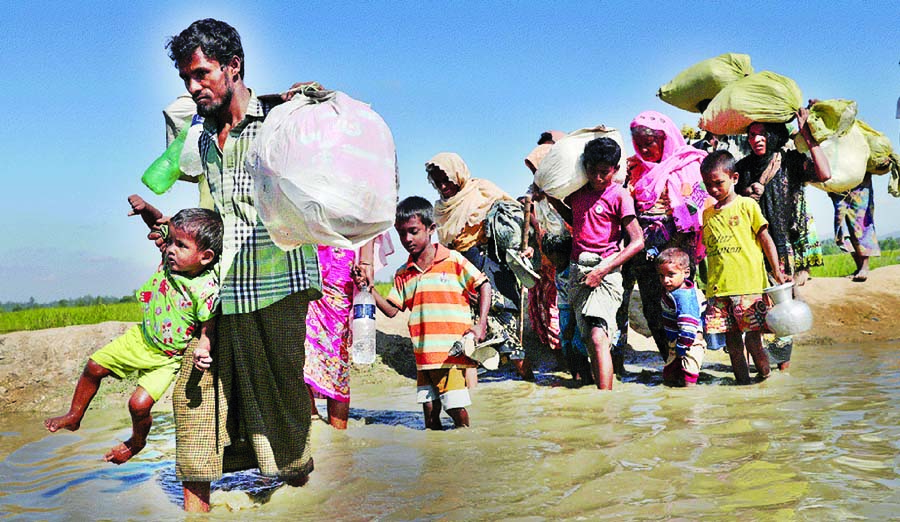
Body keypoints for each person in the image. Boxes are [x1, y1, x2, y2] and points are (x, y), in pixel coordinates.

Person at [163, 19, 322, 511]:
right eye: (187, 79)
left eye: (202, 74)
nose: (194, 87)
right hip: (219, 289)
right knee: (197, 395)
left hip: (278, 283)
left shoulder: (280, 120)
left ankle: (301, 500)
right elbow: (217, 210)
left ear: (234, 66)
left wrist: (311, 98)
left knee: (284, 408)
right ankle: (197, 504)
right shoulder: (202, 136)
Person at [45, 195, 220, 466]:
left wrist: (203, 346)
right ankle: (74, 416)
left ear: (205, 257)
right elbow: (160, 224)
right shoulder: (171, 262)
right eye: (171, 242)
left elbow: (209, 322)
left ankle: (136, 443)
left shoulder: (205, 287)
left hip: (166, 358)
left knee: (138, 406)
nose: (170, 249)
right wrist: (145, 209)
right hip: (141, 339)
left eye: (181, 245)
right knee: (93, 367)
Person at [356, 196, 491, 429]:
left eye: (413, 231)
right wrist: (370, 289)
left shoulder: (453, 260)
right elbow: (391, 311)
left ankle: (467, 451)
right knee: (430, 416)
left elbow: (484, 285)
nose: (407, 239)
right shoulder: (403, 273)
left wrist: (481, 325)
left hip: (450, 355)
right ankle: (436, 463)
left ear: (431, 229)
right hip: (423, 358)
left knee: (456, 410)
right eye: (401, 234)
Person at [735, 107, 831, 370]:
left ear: (775, 136)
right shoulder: (742, 169)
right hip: (750, 249)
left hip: (781, 249)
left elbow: (824, 174)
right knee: (756, 311)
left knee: (783, 313)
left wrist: (809, 137)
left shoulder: (789, 162)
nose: (756, 140)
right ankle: (763, 368)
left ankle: (781, 369)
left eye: (762, 134)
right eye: (752, 135)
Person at [426, 152, 535, 381]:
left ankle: (528, 381)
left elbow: (514, 219)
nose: (443, 186)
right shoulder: (441, 209)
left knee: (509, 339)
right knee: (468, 341)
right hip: (461, 274)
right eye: (437, 182)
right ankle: (471, 401)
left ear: (458, 175)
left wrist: (524, 247)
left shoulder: (481, 190)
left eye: (447, 180)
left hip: (491, 270)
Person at [547, 137, 644, 390]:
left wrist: (603, 270)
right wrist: (550, 198)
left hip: (606, 270)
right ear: (584, 167)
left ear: (615, 170)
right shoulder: (579, 194)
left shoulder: (619, 195)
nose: (598, 177)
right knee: (589, 338)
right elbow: (576, 219)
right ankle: (598, 394)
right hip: (579, 271)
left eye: (605, 172)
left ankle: (605, 403)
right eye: (593, 171)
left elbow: (637, 241)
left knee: (598, 336)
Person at [615, 111, 709, 367]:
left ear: (664, 139)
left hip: (676, 253)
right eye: (639, 143)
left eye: (650, 142)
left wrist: (672, 245)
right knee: (653, 311)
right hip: (643, 253)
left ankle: (689, 362)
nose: (644, 148)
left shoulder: (688, 165)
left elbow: (697, 203)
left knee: (682, 309)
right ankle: (669, 361)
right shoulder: (631, 170)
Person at [700, 151, 787, 384]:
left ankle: (765, 377)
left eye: (719, 183)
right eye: (708, 185)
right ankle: (742, 385)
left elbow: (765, 239)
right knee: (732, 343)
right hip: (719, 289)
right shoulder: (707, 214)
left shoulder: (747, 205)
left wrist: (776, 271)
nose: (713, 189)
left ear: (735, 178)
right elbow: (707, 251)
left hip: (748, 287)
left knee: (753, 340)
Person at [303, 241, 375, 430]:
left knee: (338, 358)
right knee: (302, 350)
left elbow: (368, 222)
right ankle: (312, 418)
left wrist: (365, 270)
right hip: (310, 260)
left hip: (342, 270)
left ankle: (339, 434)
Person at [542, 230, 592, 386]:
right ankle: (575, 377)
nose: (551, 259)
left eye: (553, 255)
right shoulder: (559, 268)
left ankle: (586, 380)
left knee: (578, 347)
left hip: (574, 312)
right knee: (567, 345)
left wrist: (571, 324)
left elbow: (574, 300)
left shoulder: (572, 270)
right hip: (563, 310)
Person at [656, 247, 705, 387]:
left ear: (686, 273)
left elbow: (688, 326)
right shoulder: (674, 290)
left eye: (671, 275)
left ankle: (690, 403)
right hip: (677, 341)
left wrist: (682, 347)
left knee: (689, 378)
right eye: (661, 275)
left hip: (690, 342)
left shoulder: (684, 297)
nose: (666, 280)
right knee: (670, 375)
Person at [829, 173, 880, 282]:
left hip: (859, 182)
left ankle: (864, 266)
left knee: (860, 223)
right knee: (842, 225)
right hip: (839, 183)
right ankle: (859, 266)